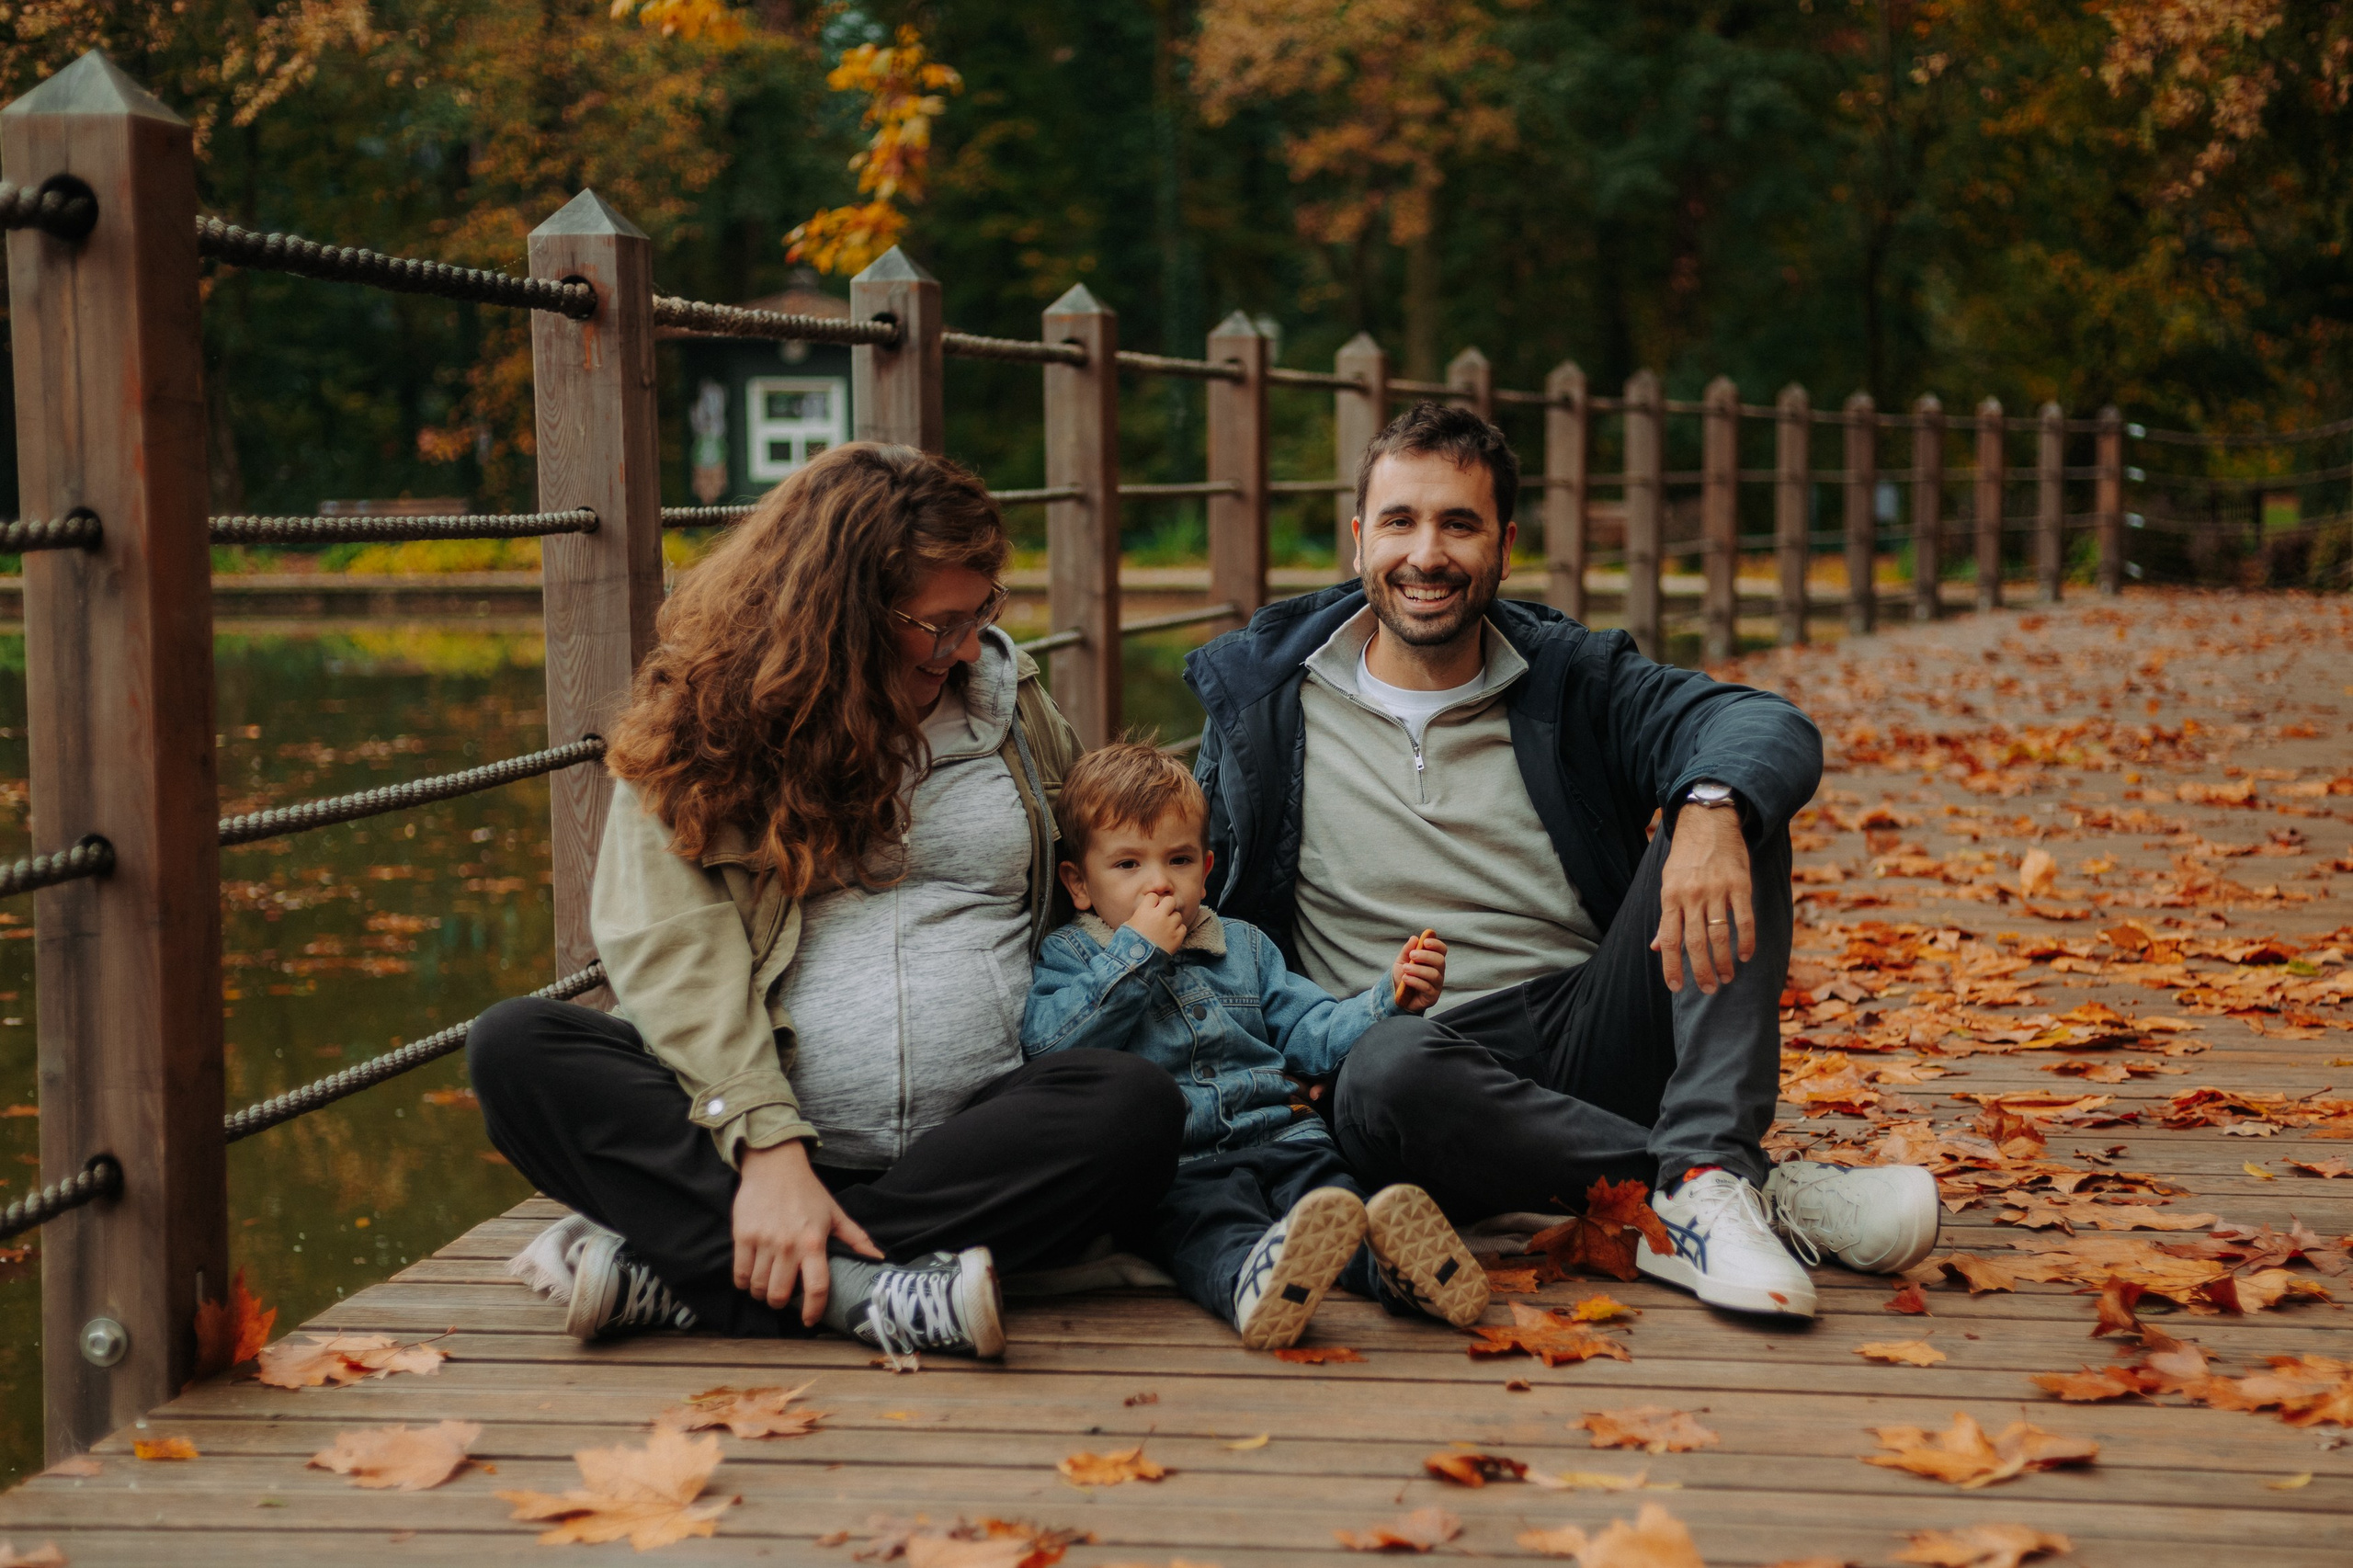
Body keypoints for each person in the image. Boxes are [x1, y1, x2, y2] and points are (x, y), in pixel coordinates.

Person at [1184, 403, 1939, 1320]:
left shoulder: (1570, 677)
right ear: (1358, 541)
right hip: (1408, 1071)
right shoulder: (1264, 703)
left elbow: (1761, 723)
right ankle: (1730, 1186)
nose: (1427, 553)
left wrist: (1706, 810)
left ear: (1503, 544)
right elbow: (1185, 886)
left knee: (1737, 801)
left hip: (1588, 1026)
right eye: (1400, 521)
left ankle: (1702, 1172)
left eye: (1458, 524)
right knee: (1387, 1065)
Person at [468, 442, 1185, 1356]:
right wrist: (767, 1145)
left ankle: (698, 1273)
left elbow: (1106, 867)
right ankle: (871, 1286)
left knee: (1135, 1103)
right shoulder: (702, 726)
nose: (963, 646)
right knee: (517, 1046)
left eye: (978, 613)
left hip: (981, 1137)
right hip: (745, 1141)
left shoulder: (1009, 700)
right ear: (840, 618)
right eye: (936, 625)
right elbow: (669, 954)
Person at [1020, 742, 1487, 1349]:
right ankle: (1251, 1281)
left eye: (1179, 859)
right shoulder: (1072, 957)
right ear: (1079, 884)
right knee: (1207, 1231)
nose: (1159, 882)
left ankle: (1399, 1275)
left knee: (1336, 1206)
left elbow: (1312, 1032)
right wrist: (1134, 957)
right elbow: (1050, 1049)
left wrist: (1387, 999)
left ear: (1206, 870)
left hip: (1283, 1137)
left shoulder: (1245, 947)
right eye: (1128, 865)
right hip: (1181, 1166)